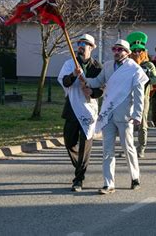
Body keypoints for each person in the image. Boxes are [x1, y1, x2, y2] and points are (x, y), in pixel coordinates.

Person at [81, 39, 148, 194]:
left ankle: (135, 177)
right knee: (107, 150)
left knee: (128, 148)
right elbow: (98, 81)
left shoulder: (135, 69)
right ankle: (108, 183)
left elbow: (139, 95)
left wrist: (137, 114)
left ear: (127, 52)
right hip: (108, 114)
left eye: (120, 49)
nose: (117, 52)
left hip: (125, 116)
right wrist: (83, 79)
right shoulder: (108, 65)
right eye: (114, 49)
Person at [57, 34, 103, 192]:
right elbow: (64, 82)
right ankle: (80, 166)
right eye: (79, 43)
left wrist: (92, 91)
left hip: (89, 111)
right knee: (69, 142)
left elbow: (102, 89)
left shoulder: (97, 67)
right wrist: (73, 75)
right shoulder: (70, 64)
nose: (81, 46)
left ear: (91, 47)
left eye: (85, 43)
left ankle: (78, 179)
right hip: (72, 109)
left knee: (85, 146)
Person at [127, 32, 156, 158]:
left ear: (144, 52)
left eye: (140, 51)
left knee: (142, 123)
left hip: (143, 98)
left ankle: (141, 147)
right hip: (128, 98)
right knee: (127, 125)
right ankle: (128, 147)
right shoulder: (127, 65)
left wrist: (145, 76)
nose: (137, 53)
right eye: (134, 51)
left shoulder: (149, 65)